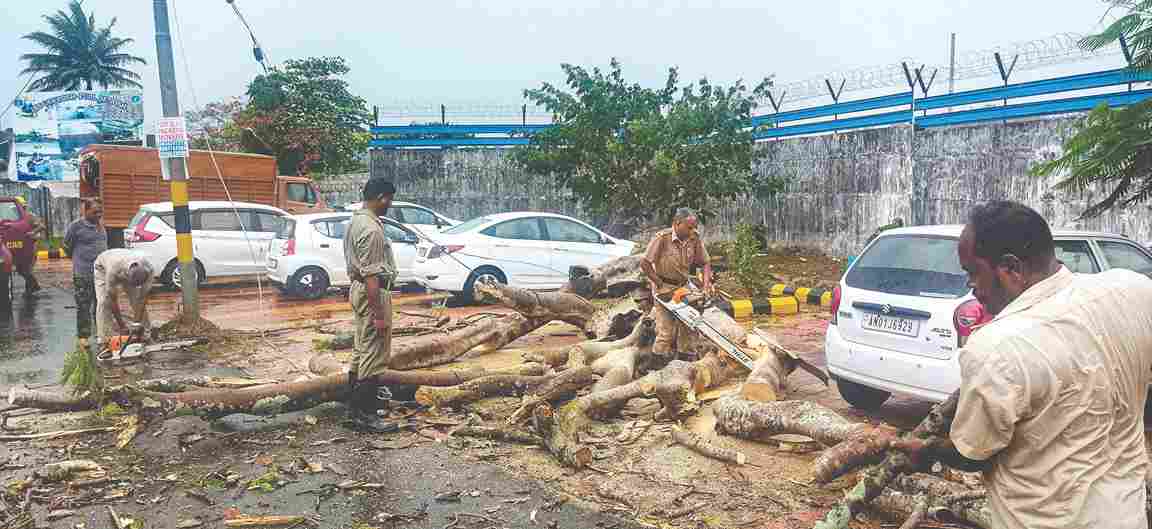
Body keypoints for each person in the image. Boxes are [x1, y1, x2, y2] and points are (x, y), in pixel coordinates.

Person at [890, 200, 1152, 529]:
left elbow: (974, 453)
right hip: (1127, 516)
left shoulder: (995, 348)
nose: (971, 285)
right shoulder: (1133, 290)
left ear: (1011, 269)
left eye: (973, 272)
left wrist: (927, 451)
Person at [342, 178, 400, 433]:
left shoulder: (357, 220)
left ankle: (354, 410)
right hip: (372, 294)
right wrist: (379, 315)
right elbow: (372, 277)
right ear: (381, 197)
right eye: (389, 198)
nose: (390, 204)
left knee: (360, 350)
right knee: (373, 355)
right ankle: (366, 416)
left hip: (359, 290)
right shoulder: (372, 230)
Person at [639, 207, 715, 359]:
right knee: (666, 331)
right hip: (664, 288)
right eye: (689, 227)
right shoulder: (662, 238)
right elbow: (645, 263)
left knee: (688, 326)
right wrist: (658, 282)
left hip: (683, 286)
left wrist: (706, 286)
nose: (692, 230)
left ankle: (684, 360)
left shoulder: (694, 238)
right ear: (677, 223)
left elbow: (705, 263)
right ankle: (654, 364)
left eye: (694, 227)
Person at [62, 198, 108, 342]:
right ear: (86, 211)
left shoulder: (101, 225)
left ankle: (101, 334)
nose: (98, 215)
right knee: (83, 306)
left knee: (101, 304)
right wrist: (78, 259)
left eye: (100, 212)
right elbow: (66, 246)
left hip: (100, 274)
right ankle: (84, 336)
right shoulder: (76, 227)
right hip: (83, 273)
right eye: (95, 212)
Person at [93, 249, 155, 342]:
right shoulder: (113, 269)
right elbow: (112, 299)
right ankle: (104, 339)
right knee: (104, 302)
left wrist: (136, 324)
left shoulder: (149, 270)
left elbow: (142, 299)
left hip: (125, 264)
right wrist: (122, 325)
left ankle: (146, 333)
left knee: (136, 299)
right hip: (102, 268)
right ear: (127, 275)